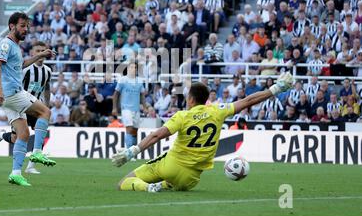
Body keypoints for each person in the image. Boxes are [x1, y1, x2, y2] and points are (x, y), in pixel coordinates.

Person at [112, 72, 293, 192]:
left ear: (190, 99)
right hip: (191, 179)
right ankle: (161, 185)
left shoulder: (182, 116)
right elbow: (247, 101)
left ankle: (148, 188)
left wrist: (132, 151)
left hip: (171, 166)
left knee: (123, 183)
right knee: (170, 183)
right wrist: (275, 88)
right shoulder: (218, 111)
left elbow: (157, 135)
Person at [0, 12, 55, 186]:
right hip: (12, 93)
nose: (25, 29)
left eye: (27, 26)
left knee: (23, 133)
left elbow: (19, 66)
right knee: (45, 111)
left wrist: (39, 55)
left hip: (9, 96)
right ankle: (37, 152)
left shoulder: (15, 46)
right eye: (22, 25)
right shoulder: (6, 44)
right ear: (12, 26)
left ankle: (16, 173)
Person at [112, 63, 147, 153]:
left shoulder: (139, 81)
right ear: (127, 69)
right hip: (126, 108)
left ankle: (133, 152)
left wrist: (145, 107)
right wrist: (114, 108)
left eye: (135, 67)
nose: (133, 69)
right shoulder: (123, 80)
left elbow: (142, 95)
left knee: (135, 131)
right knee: (129, 128)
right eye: (131, 67)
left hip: (136, 109)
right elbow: (116, 94)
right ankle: (129, 153)